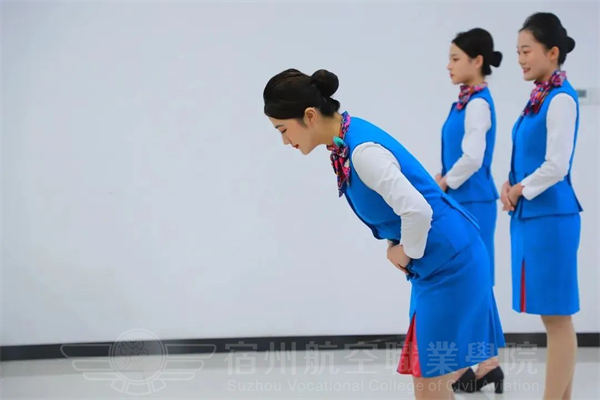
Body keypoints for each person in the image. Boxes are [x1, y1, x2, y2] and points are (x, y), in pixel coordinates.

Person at [263, 68, 505, 399]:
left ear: (309, 116)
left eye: (282, 129)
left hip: (452, 264)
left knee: (429, 383)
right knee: (431, 380)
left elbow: (418, 210)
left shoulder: (363, 152)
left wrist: (403, 251)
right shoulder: (348, 138)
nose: (284, 141)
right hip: (439, 263)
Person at [502, 12, 581, 400]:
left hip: (551, 218)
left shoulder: (560, 98)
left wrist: (519, 189)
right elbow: (531, 156)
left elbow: (556, 166)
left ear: (552, 52)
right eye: (518, 51)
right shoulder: (540, 97)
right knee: (554, 316)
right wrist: (510, 183)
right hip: (535, 216)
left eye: (527, 50)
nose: (520, 59)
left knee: (557, 317)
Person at [436, 28, 504, 392]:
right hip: (463, 201)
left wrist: (445, 182)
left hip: (473, 201)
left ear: (477, 61)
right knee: (469, 278)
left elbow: (473, 158)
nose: (448, 65)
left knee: (475, 278)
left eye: (455, 58)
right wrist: (443, 178)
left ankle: (485, 362)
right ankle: (477, 363)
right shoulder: (465, 101)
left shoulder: (477, 103)